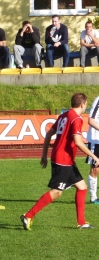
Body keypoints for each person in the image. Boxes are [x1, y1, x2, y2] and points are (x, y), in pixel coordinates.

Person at [20, 93, 99, 230]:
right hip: (63, 160)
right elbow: (78, 142)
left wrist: (44, 155)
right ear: (82, 104)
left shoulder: (64, 115)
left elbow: (49, 134)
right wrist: (94, 156)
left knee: (82, 187)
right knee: (57, 192)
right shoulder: (76, 118)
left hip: (63, 158)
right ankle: (28, 215)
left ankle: (81, 222)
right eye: (85, 103)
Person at [86, 96, 99, 204]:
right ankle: (93, 197)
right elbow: (90, 120)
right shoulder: (98, 100)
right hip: (96, 140)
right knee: (95, 169)